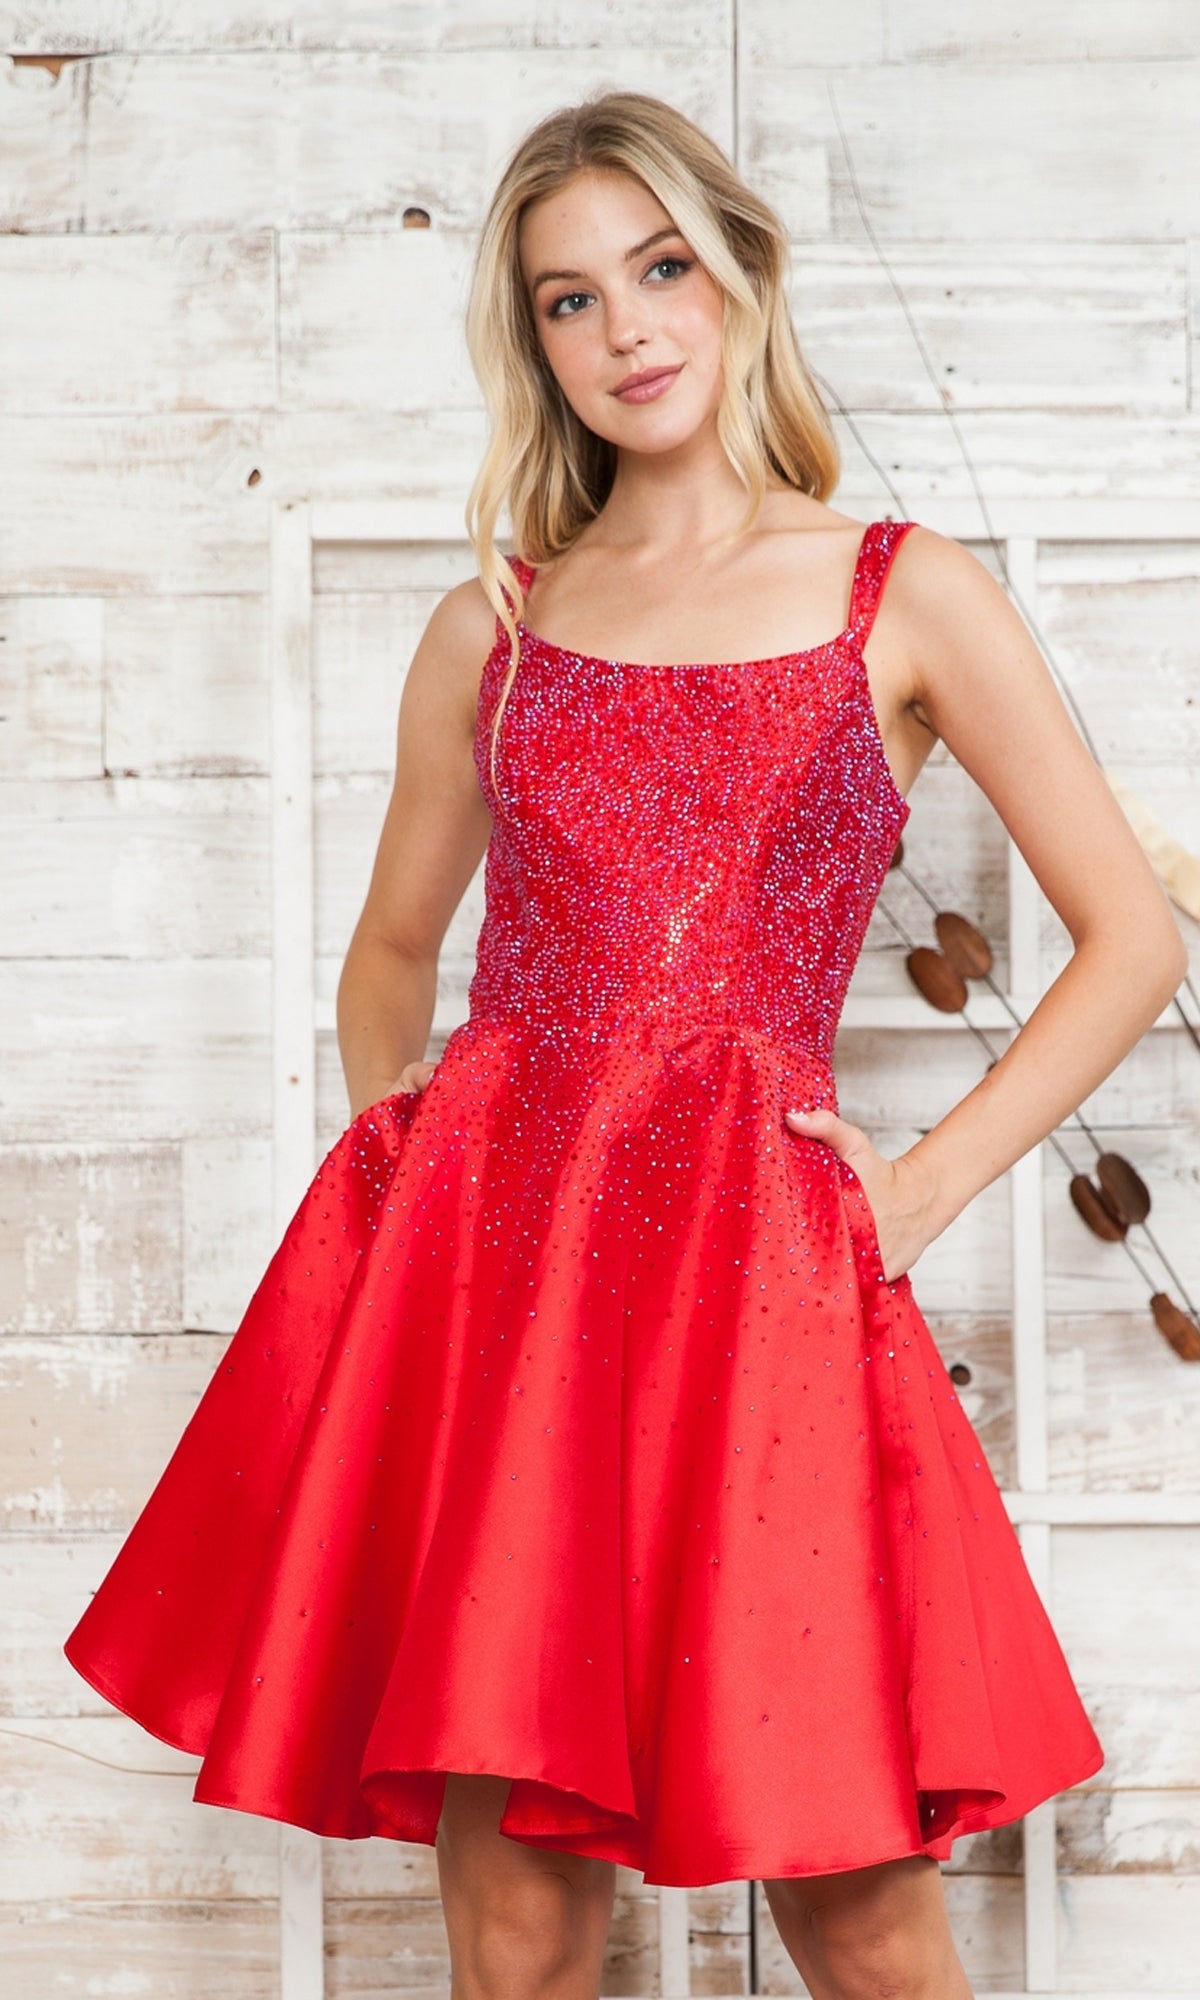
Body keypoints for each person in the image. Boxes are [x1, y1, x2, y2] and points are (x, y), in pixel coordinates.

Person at [66, 91, 1186, 2000]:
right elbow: (397, 945)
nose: (628, 330)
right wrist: (400, 1137)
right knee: (513, 1915)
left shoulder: (897, 591)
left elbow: (1134, 937)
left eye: (660, 269)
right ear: (536, 346)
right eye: (570, 301)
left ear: (740, 274)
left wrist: (915, 1190)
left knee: (851, 1893)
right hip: (503, 1285)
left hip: (760, 1278)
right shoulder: (495, 627)